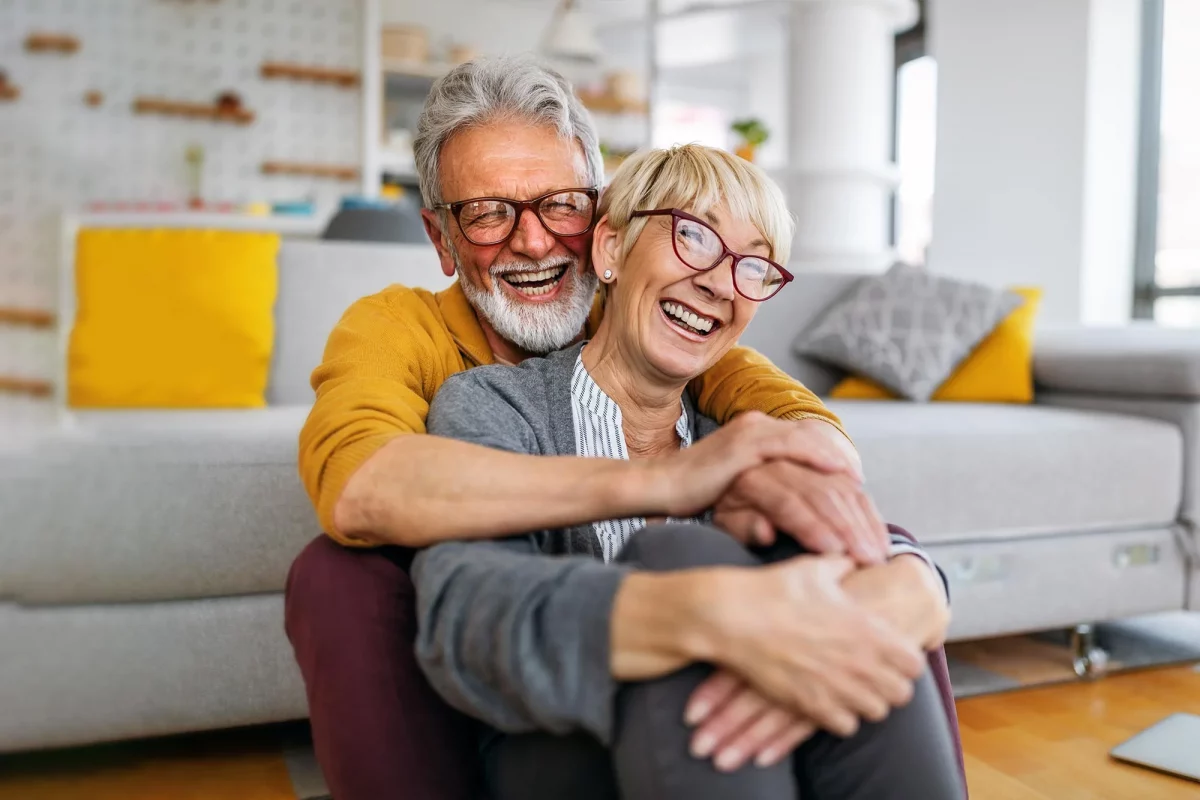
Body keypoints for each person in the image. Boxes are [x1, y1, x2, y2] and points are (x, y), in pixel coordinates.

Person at [284, 55, 963, 800]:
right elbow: (362, 491)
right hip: (535, 692)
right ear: (443, 238)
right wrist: (677, 524)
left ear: (600, 223)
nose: (535, 241)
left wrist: (909, 573)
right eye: (486, 213)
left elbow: (801, 430)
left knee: (835, 569)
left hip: (683, 695)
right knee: (342, 572)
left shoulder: (673, 338)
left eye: (561, 205)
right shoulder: (443, 365)